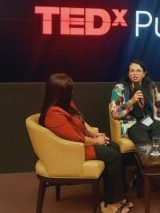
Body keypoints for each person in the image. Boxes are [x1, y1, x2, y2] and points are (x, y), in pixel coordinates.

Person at [39, 73, 132, 213]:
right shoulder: (53, 114)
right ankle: (109, 204)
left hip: (82, 143)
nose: (73, 92)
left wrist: (94, 133)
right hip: (74, 150)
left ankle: (118, 196)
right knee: (112, 156)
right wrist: (96, 141)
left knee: (115, 147)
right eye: (70, 90)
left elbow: (81, 120)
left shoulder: (66, 103)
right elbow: (76, 138)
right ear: (60, 93)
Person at [110, 59, 160, 144]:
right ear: (128, 74)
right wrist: (131, 101)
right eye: (132, 71)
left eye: (138, 71)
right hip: (134, 125)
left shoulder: (150, 86)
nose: (135, 73)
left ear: (144, 74)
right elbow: (115, 114)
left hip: (152, 121)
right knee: (146, 147)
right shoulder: (119, 88)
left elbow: (158, 102)